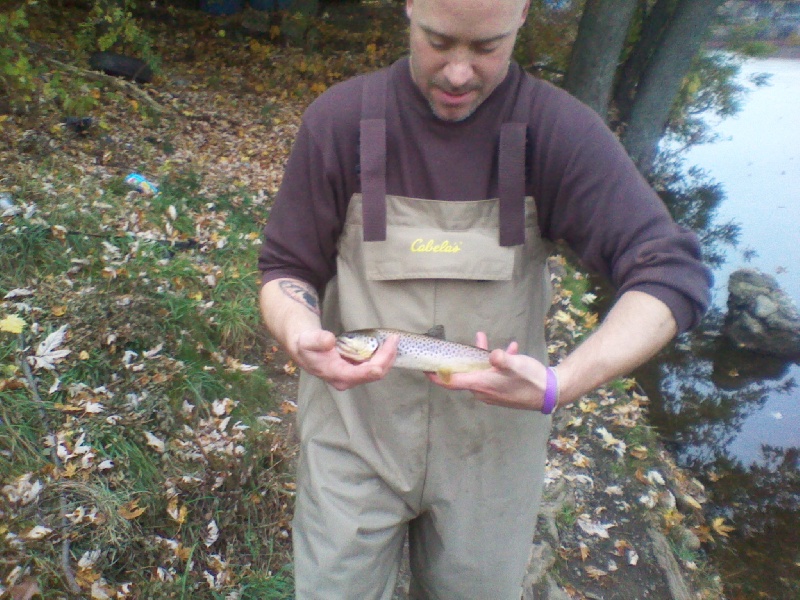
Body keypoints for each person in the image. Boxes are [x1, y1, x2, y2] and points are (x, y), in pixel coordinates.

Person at [258, 0, 712, 597]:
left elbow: (671, 274)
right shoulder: (340, 121)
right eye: (439, 41)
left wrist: (562, 383)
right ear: (409, 7)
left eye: (487, 47)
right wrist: (299, 334)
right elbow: (286, 268)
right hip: (351, 443)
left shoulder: (558, 131)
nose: (458, 73)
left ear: (524, 13)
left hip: (492, 456)